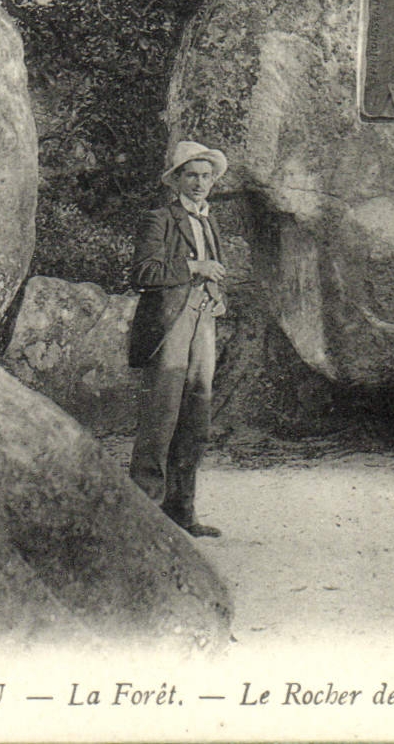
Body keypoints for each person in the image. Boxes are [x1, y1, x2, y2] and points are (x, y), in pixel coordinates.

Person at [126, 140, 229, 538]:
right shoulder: (159, 219)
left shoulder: (209, 220)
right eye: (192, 175)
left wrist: (219, 296)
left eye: (206, 176)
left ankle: (182, 513)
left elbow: (217, 271)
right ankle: (144, 519)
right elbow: (144, 273)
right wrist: (196, 267)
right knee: (161, 417)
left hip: (203, 323)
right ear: (176, 181)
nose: (200, 183)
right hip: (170, 326)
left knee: (196, 418)